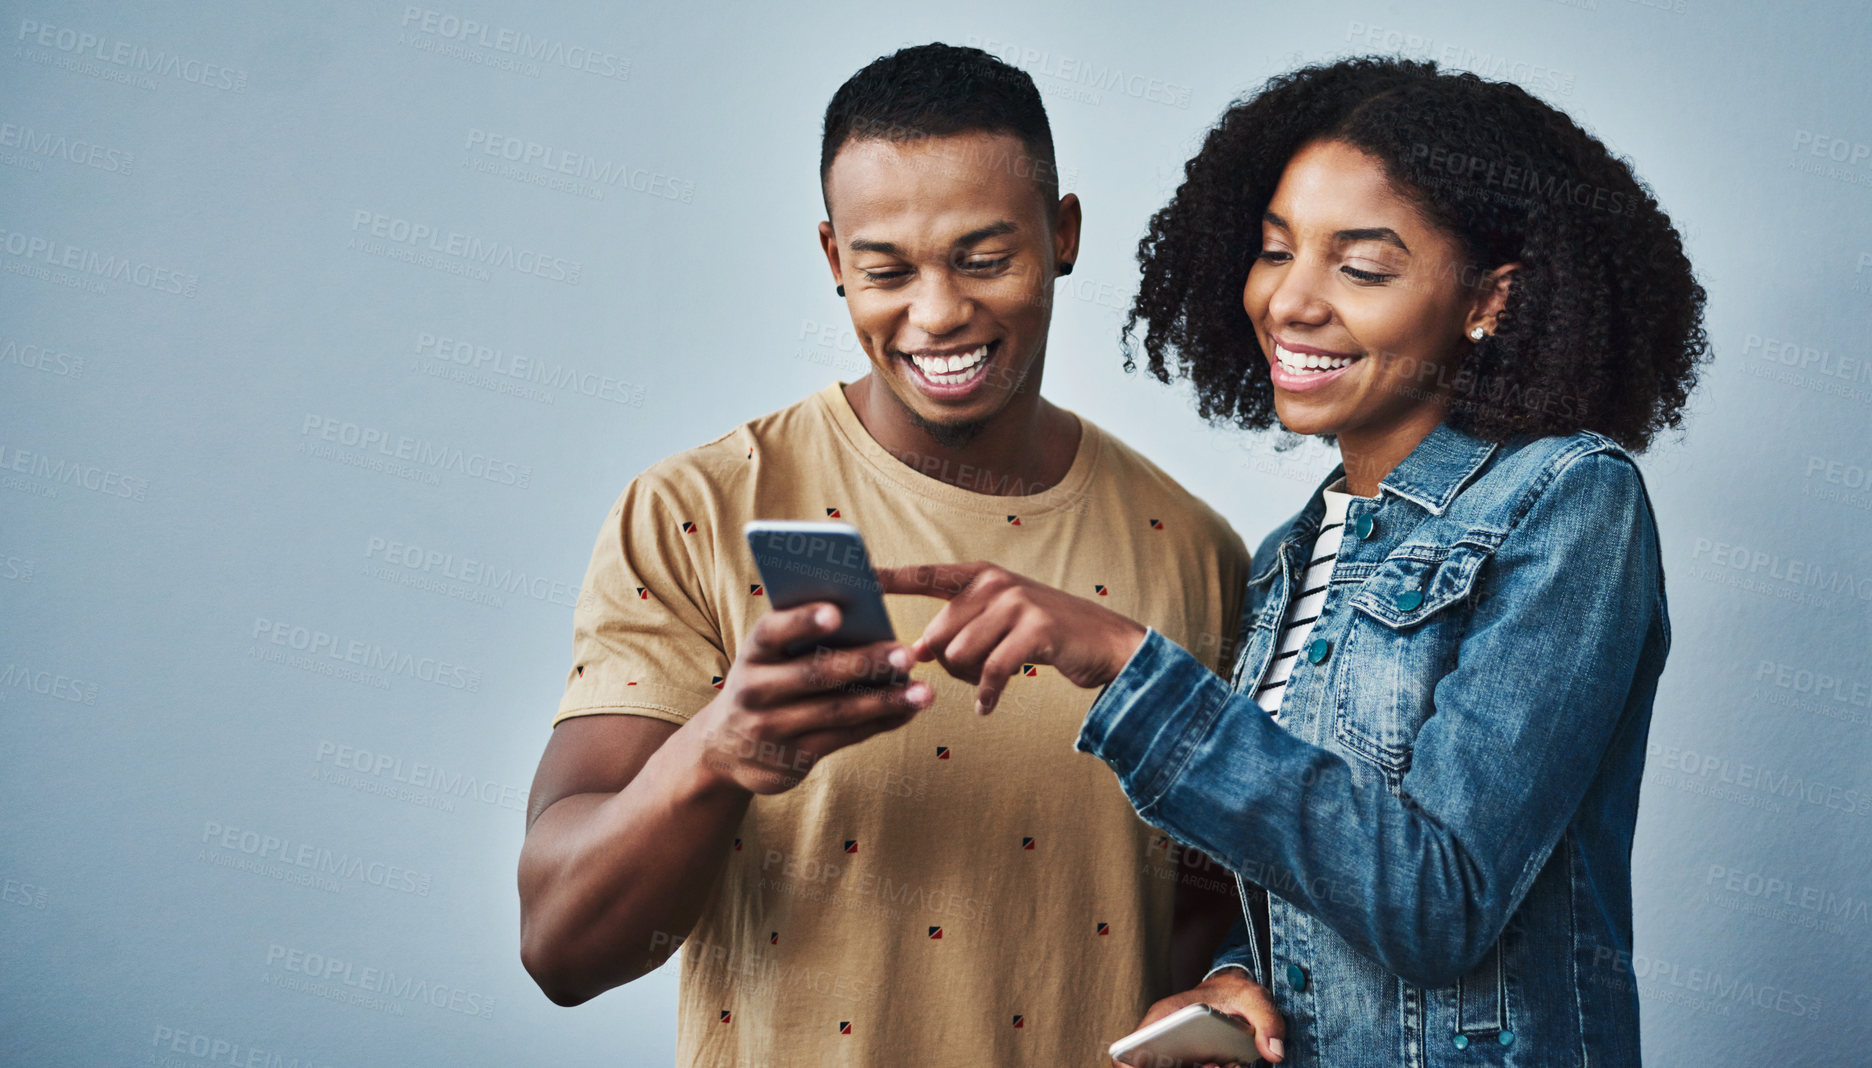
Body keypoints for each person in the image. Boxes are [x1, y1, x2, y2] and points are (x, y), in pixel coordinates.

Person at [881, 56, 1707, 1066]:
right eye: (1276, 252)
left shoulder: (1569, 504)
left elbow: (1440, 902)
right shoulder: (1286, 562)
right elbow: (1311, 868)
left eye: (1360, 268)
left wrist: (1131, 666)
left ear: (1490, 299)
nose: (1292, 302)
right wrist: (1237, 972)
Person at [517, 43, 1255, 1066]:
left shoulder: (1198, 553)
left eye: (984, 257)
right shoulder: (695, 510)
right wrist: (713, 757)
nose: (938, 311)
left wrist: (1218, 992)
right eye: (885, 270)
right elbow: (559, 949)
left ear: (1065, 234)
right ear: (832, 261)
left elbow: (1205, 927)